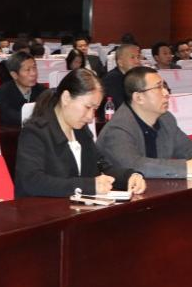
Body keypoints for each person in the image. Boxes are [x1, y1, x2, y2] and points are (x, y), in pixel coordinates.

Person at [14, 68, 145, 198]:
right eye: (87, 107)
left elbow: (101, 167)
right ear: (66, 98)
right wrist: (87, 186)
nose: (90, 117)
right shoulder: (35, 132)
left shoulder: (81, 131)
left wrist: (129, 177)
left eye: (95, 109)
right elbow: (32, 181)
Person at [98, 67, 192, 178]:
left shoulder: (166, 119)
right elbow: (133, 165)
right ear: (139, 98)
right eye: (158, 88)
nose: (166, 93)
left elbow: (187, 146)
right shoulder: (118, 129)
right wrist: (187, 167)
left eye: (165, 87)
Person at [0, 50, 45, 128]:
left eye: (34, 68)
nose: (33, 73)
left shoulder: (42, 91)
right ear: (14, 75)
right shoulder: (2, 94)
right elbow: (12, 118)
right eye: (27, 70)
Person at [103, 41, 142, 110]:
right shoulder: (112, 79)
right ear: (120, 62)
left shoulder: (135, 77)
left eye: (138, 57)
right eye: (132, 57)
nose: (137, 61)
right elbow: (121, 106)